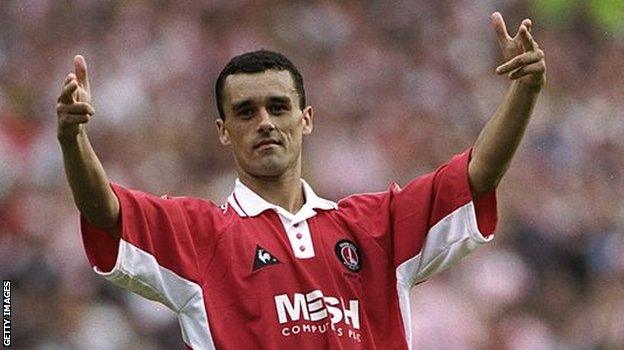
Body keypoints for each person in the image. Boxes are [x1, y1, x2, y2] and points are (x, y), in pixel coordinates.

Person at [56, 12, 545, 350]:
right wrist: (73, 139)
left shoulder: (377, 227)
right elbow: (106, 213)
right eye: (246, 112)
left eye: (279, 107)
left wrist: (524, 92)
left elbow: (476, 176)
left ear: (306, 118)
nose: (265, 121)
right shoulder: (200, 235)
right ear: (223, 132)